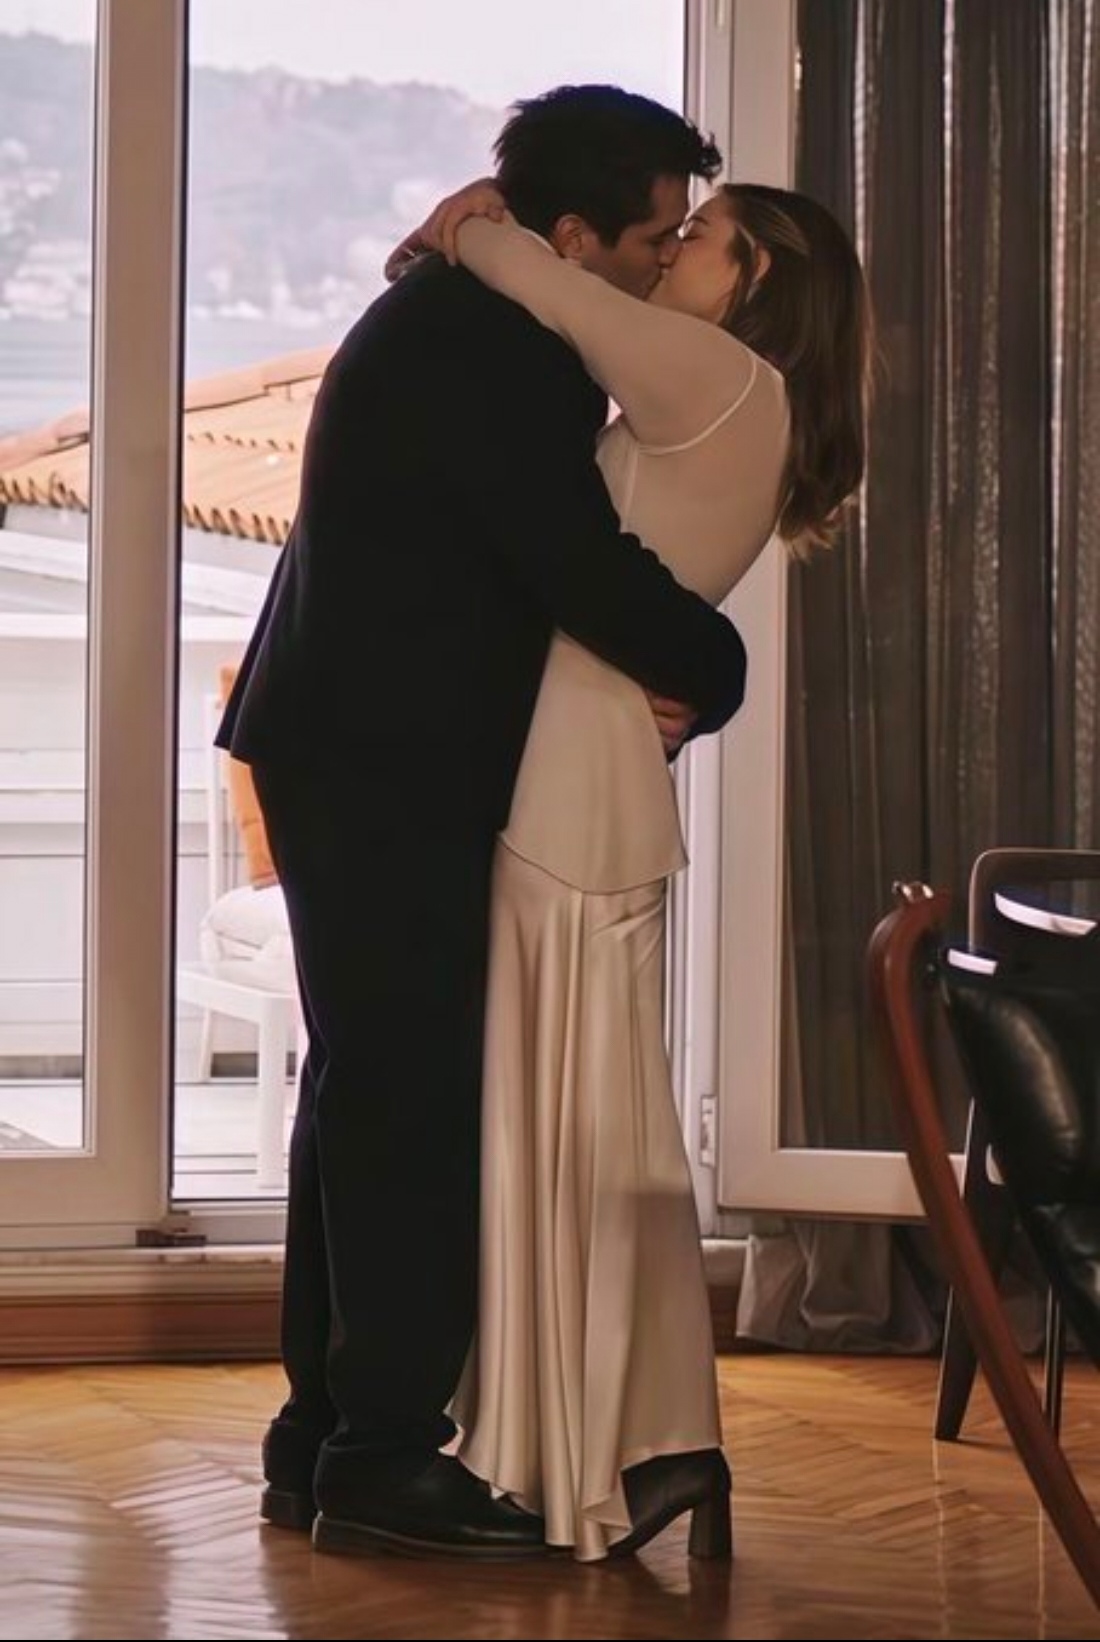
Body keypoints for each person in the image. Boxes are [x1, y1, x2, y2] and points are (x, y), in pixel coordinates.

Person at [216, 85, 750, 1561]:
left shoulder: (468, 314)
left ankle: (323, 1433)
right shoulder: (494, 349)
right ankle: (380, 1452)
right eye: (654, 238)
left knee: (363, 1091)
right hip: (383, 762)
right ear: (570, 237)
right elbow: (575, 560)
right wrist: (719, 668)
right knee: (405, 1101)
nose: (664, 259)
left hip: (348, 748)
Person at [385, 177, 871, 1560]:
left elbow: (552, 290)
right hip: (581, 779)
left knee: (579, 1143)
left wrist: (469, 222)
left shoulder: (721, 375)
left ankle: (622, 1445)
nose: (672, 252)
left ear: (758, 274)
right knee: (589, 1136)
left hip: (572, 793)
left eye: (699, 236)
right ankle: (642, 1443)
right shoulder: (739, 398)